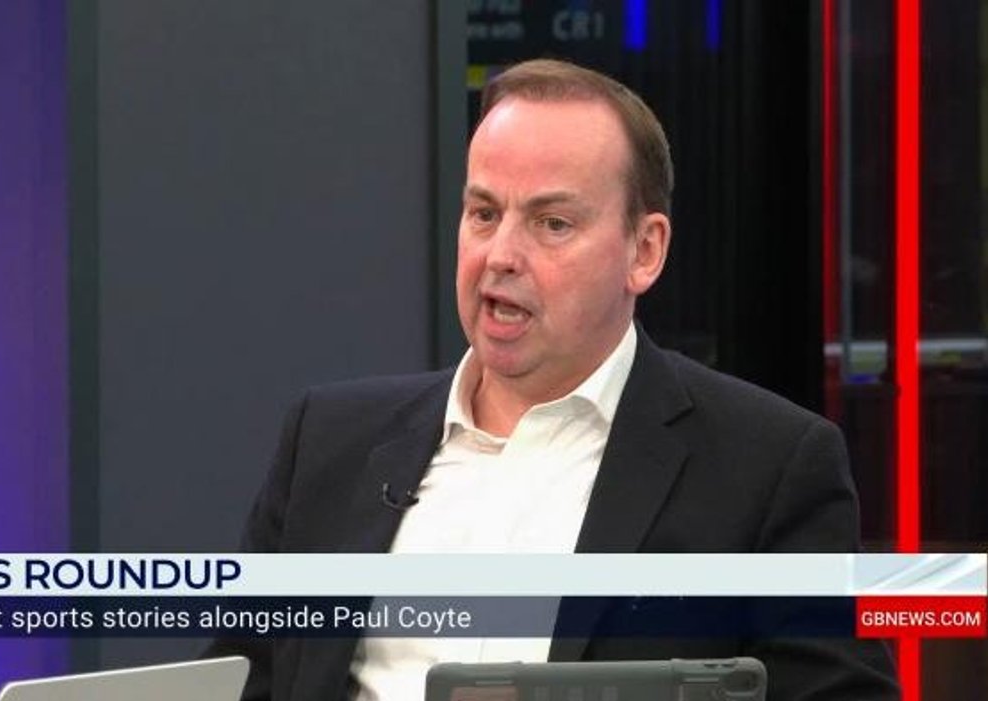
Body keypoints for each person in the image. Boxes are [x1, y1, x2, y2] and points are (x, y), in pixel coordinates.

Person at [208, 59, 898, 701]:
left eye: (551, 222)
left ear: (644, 250)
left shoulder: (768, 467)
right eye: (483, 213)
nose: (500, 254)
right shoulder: (328, 441)